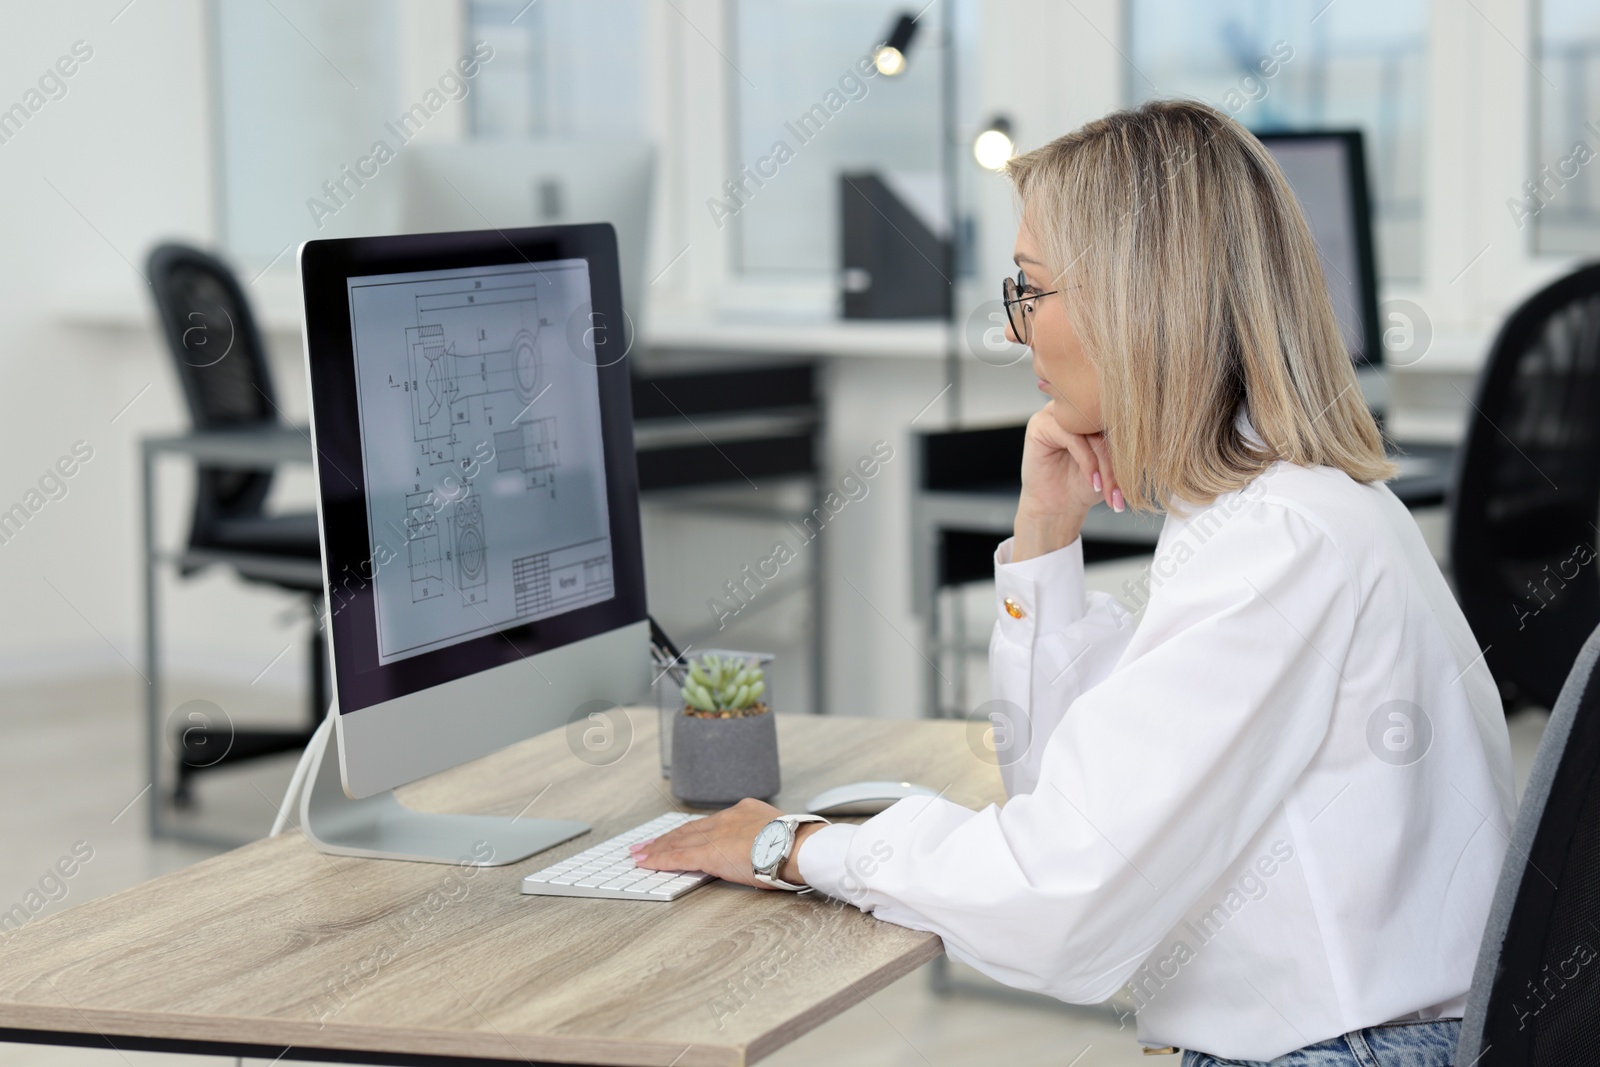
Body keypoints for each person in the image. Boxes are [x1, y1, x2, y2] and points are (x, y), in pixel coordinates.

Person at [632, 99, 1514, 1066]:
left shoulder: (1278, 546)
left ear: (1140, 303)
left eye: (1032, 289)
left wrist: (791, 847)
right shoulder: (1287, 507)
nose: (1016, 332)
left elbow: (1058, 895)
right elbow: (1063, 796)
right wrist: (1045, 536)